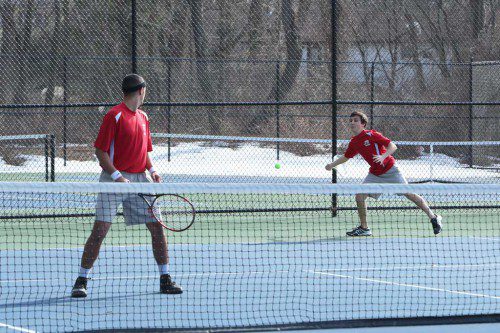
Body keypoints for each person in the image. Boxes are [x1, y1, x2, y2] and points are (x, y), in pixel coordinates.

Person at [71, 74, 182, 297]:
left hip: (141, 179)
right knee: (100, 230)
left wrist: (153, 171)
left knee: (157, 227)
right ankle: (81, 280)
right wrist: (117, 177)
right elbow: (100, 152)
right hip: (113, 181)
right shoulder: (114, 116)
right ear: (141, 91)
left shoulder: (144, 117)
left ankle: (165, 278)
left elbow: (144, 152)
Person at [325, 111, 442, 237]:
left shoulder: (372, 135)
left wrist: (383, 156)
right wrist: (332, 165)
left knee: (409, 194)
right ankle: (364, 228)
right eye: (351, 120)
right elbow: (346, 157)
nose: (352, 122)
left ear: (363, 124)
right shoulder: (354, 142)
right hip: (375, 174)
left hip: (390, 170)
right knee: (359, 196)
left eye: (355, 120)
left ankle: (433, 217)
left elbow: (392, 146)